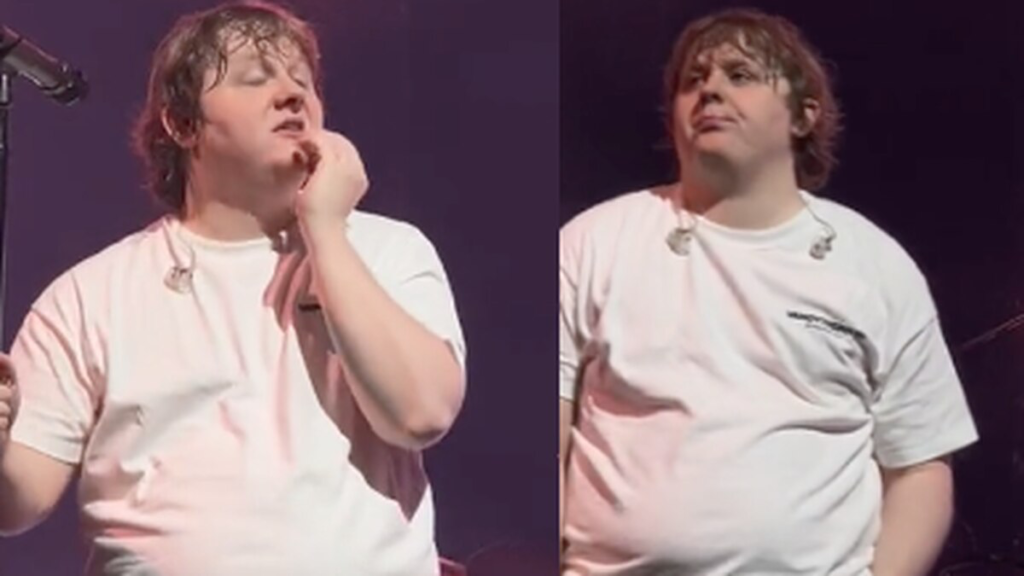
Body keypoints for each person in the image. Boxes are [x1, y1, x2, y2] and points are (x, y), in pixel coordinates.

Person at [0, 2, 466, 574]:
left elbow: (421, 413)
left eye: (303, 82)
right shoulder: (89, 295)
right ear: (182, 123)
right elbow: (16, 501)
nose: (292, 95)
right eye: (254, 78)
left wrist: (324, 228)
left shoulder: (386, 249)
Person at [558, 8, 976, 575]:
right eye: (693, 80)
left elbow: (920, 467)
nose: (710, 90)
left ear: (804, 115)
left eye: (740, 75)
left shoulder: (874, 264)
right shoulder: (593, 243)